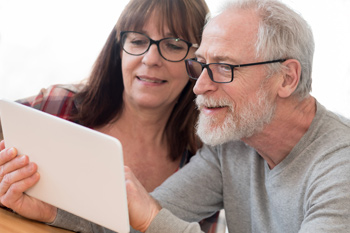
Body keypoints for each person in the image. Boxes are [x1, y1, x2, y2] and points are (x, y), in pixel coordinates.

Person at [122, 0, 350, 232]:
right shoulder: (233, 141)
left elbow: (152, 217)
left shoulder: (342, 167)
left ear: (286, 78)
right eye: (201, 64)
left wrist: (152, 219)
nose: (199, 87)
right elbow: (133, 218)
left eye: (224, 67)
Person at [0, 0, 220, 232]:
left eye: (174, 45)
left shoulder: (206, 160)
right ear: (118, 49)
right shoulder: (58, 105)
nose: (151, 59)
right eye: (137, 41)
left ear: (198, 61)